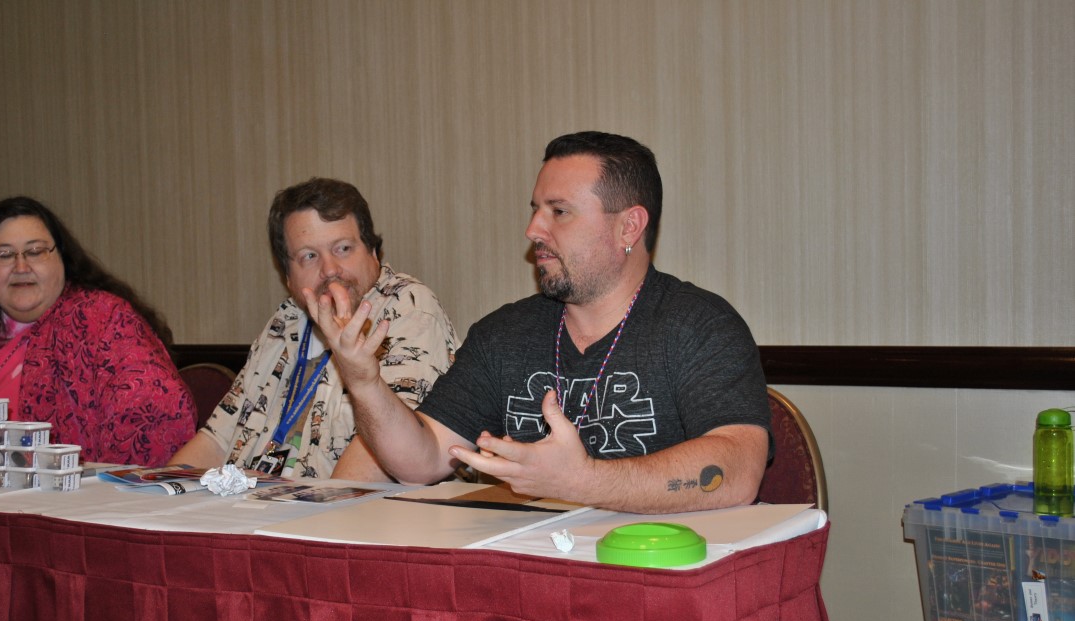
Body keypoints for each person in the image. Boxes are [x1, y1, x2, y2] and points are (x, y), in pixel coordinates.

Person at [309, 131, 771, 514]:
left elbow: (737, 470)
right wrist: (364, 382)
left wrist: (585, 481)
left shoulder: (699, 325)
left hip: (660, 575)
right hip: (532, 573)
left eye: (559, 211)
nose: (533, 229)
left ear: (629, 227)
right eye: (535, 209)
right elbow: (421, 462)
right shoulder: (505, 335)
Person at [169, 177, 458, 481]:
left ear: (373, 253)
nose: (330, 269)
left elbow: (382, 458)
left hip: (348, 507)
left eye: (343, 248)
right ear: (288, 277)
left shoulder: (408, 307)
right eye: (309, 256)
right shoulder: (286, 319)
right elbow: (216, 440)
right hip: (255, 501)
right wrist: (159, 490)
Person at [0, 196, 196, 466]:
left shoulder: (102, 319)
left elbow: (156, 410)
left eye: (35, 252)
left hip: (64, 488)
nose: (21, 267)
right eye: (4, 255)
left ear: (63, 259)